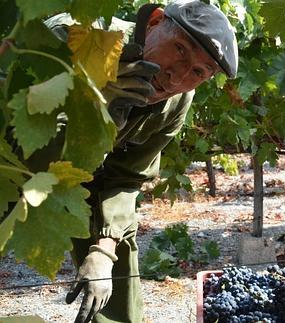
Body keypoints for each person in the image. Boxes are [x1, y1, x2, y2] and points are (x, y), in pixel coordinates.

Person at [43, 1, 238, 322]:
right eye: (179, 49)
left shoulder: (175, 102)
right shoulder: (73, 39)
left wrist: (104, 249)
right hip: (14, 171)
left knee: (118, 239)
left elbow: (126, 178)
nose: (177, 77)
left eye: (199, 72)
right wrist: (93, 105)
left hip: (80, 180)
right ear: (155, 22)